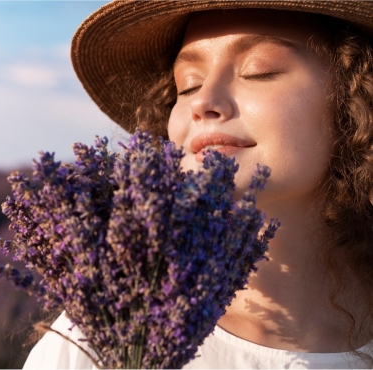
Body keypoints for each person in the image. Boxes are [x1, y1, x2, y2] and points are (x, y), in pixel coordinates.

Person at [23, 1, 373, 368]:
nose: (203, 100)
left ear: (356, 98)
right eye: (187, 85)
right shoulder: (112, 337)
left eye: (259, 71)